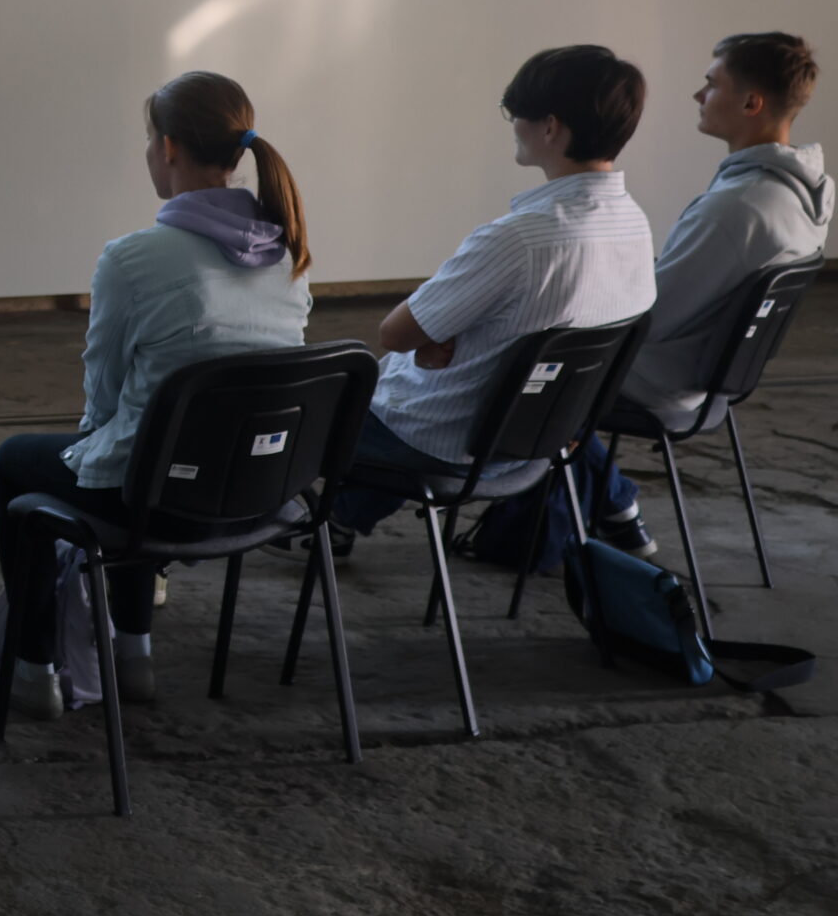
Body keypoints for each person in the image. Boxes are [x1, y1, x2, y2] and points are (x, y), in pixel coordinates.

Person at [0, 74, 312, 723]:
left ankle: (34, 667)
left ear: (167, 147)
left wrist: (95, 449)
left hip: (158, 503)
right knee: (150, 449)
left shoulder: (133, 258)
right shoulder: (289, 253)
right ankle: (132, 652)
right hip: (261, 495)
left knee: (27, 460)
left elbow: (104, 398)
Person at [327, 46, 657, 554]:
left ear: (550, 127)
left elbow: (395, 333)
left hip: (447, 441)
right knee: (413, 390)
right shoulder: (635, 225)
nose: (513, 126)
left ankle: (320, 522)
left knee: (319, 401)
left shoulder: (521, 238)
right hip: (538, 440)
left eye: (515, 114)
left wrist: (440, 335)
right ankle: (341, 518)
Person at [566, 34, 832, 532]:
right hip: (712, 379)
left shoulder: (737, 206)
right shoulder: (804, 190)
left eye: (711, 84)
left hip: (663, 380)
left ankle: (601, 510)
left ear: (751, 103)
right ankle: (611, 506)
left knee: (528, 364)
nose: (698, 95)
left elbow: (651, 318)